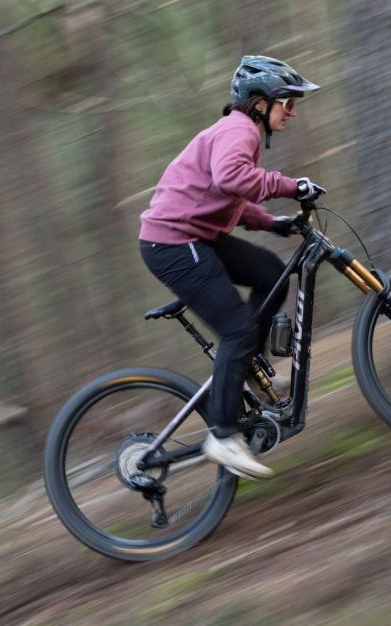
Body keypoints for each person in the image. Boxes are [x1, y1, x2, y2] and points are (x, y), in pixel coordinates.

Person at [139, 56, 325, 479]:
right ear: (260, 103)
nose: (292, 113)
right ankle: (222, 436)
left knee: (271, 273)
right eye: (288, 103)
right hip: (172, 243)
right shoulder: (238, 130)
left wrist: (272, 223)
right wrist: (291, 186)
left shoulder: (240, 131)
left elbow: (226, 196)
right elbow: (232, 178)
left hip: (195, 235)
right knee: (237, 329)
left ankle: (250, 369)